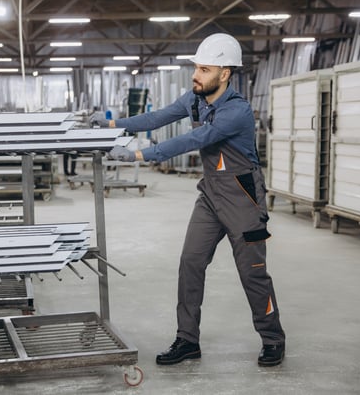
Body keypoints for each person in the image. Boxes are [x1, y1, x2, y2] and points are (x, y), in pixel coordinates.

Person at [93, 33, 285, 367]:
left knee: (252, 274)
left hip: (243, 198)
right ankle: (187, 339)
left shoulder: (237, 112)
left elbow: (194, 139)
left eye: (204, 69)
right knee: (190, 264)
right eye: (196, 67)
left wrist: (137, 155)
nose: (196, 75)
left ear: (224, 74)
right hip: (211, 196)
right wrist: (113, 124)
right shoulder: (195, 98)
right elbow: (158, 118)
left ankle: (272, 338)